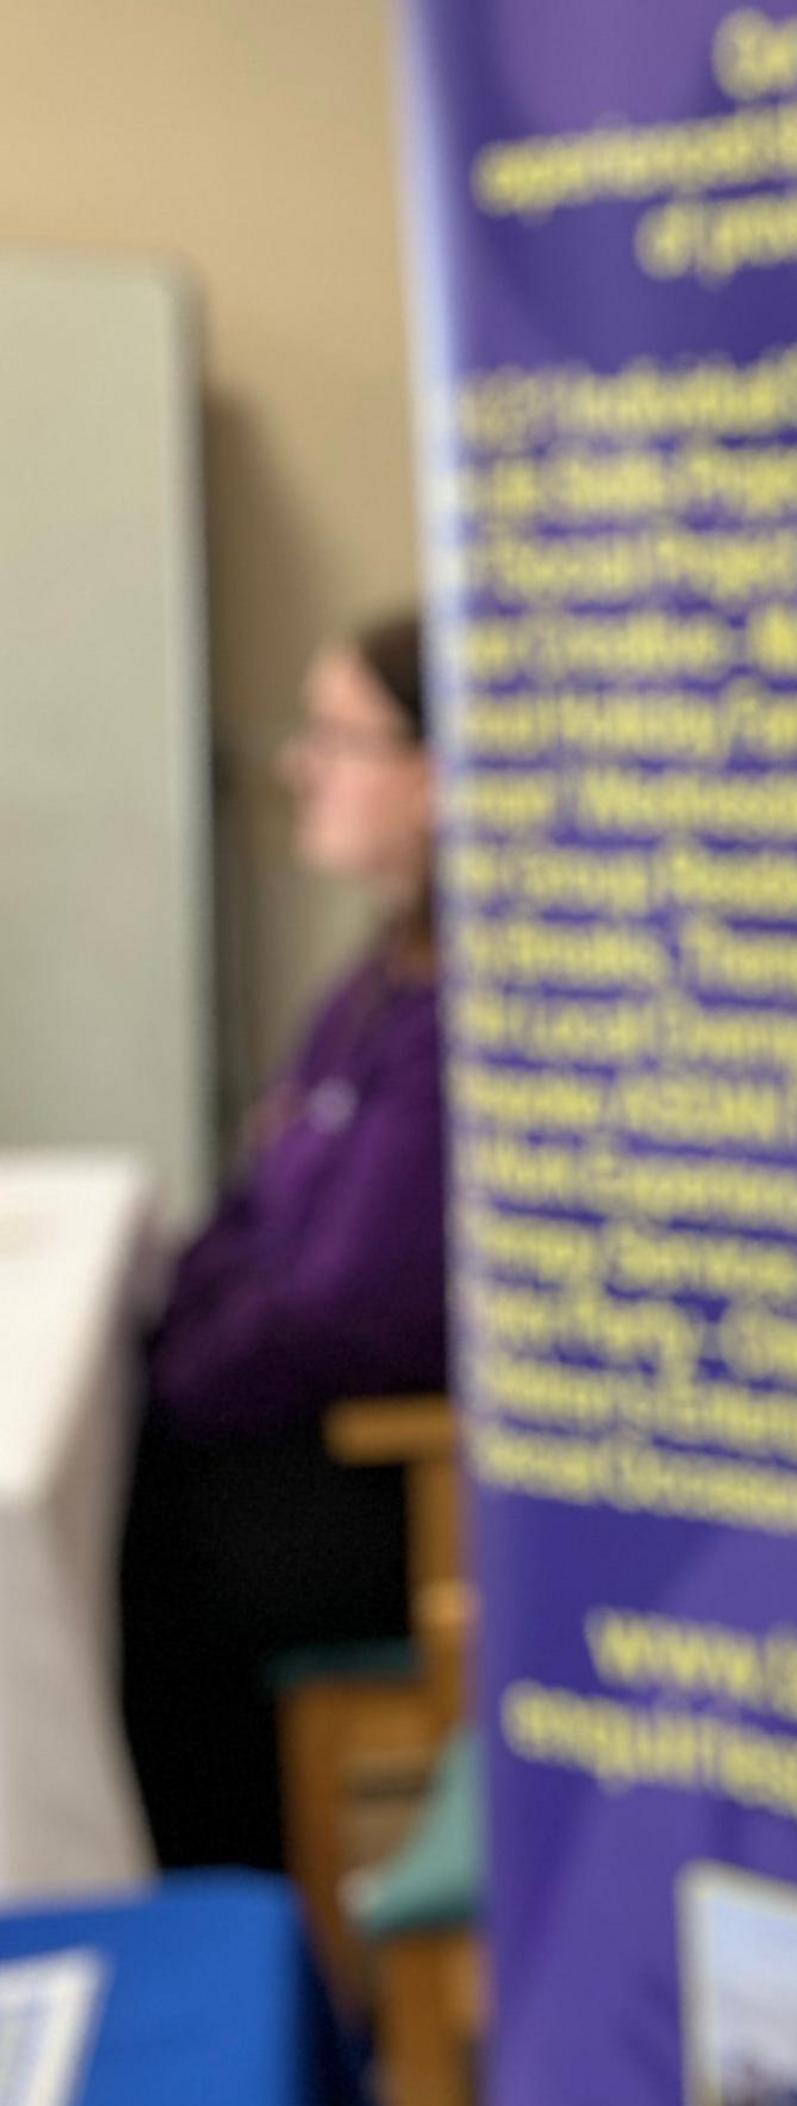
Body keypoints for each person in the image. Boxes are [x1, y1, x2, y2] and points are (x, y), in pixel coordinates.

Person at [119, 608, 451, 1873]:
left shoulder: (460, 1010)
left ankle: (225, 1930)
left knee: (151, 1561)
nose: (298, 765)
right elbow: (253, 1211)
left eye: (336, 737)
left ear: (434, 778)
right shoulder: (381, 976)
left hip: (392, 1489)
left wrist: (182, 1367)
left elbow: (348, 1307)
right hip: (297, 1429)